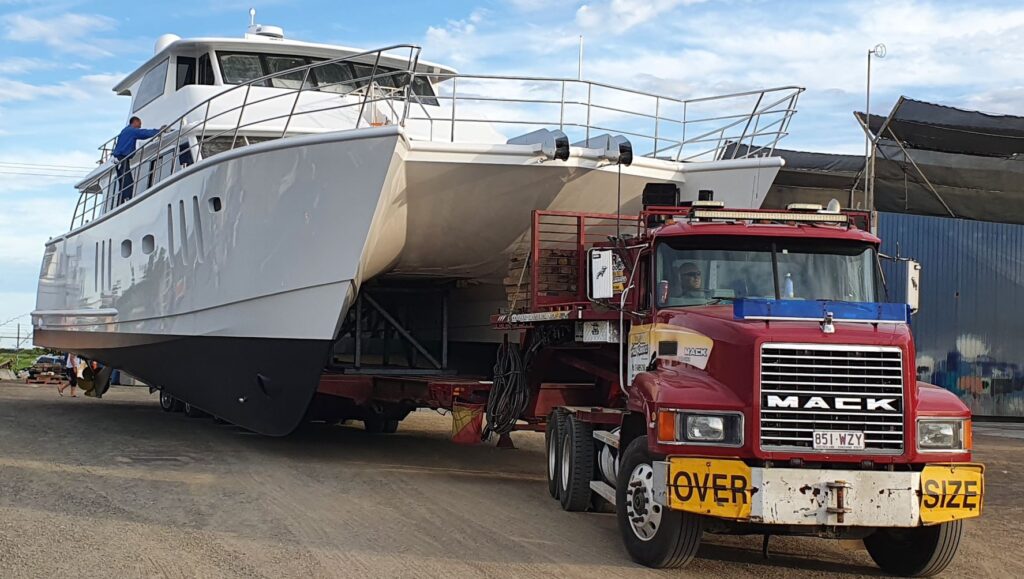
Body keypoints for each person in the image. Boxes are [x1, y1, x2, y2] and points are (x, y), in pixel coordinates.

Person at [112, 117, 165, 205]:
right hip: (122, 159)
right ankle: (126, 201)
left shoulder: (124, 131)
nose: (140, 126)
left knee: (123, 183)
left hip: (118, 159)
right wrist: (159, 131)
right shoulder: (132, 131)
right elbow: (144, 133)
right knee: (128, 182)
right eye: (139, 123)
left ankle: (121, 203)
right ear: (135, 122)